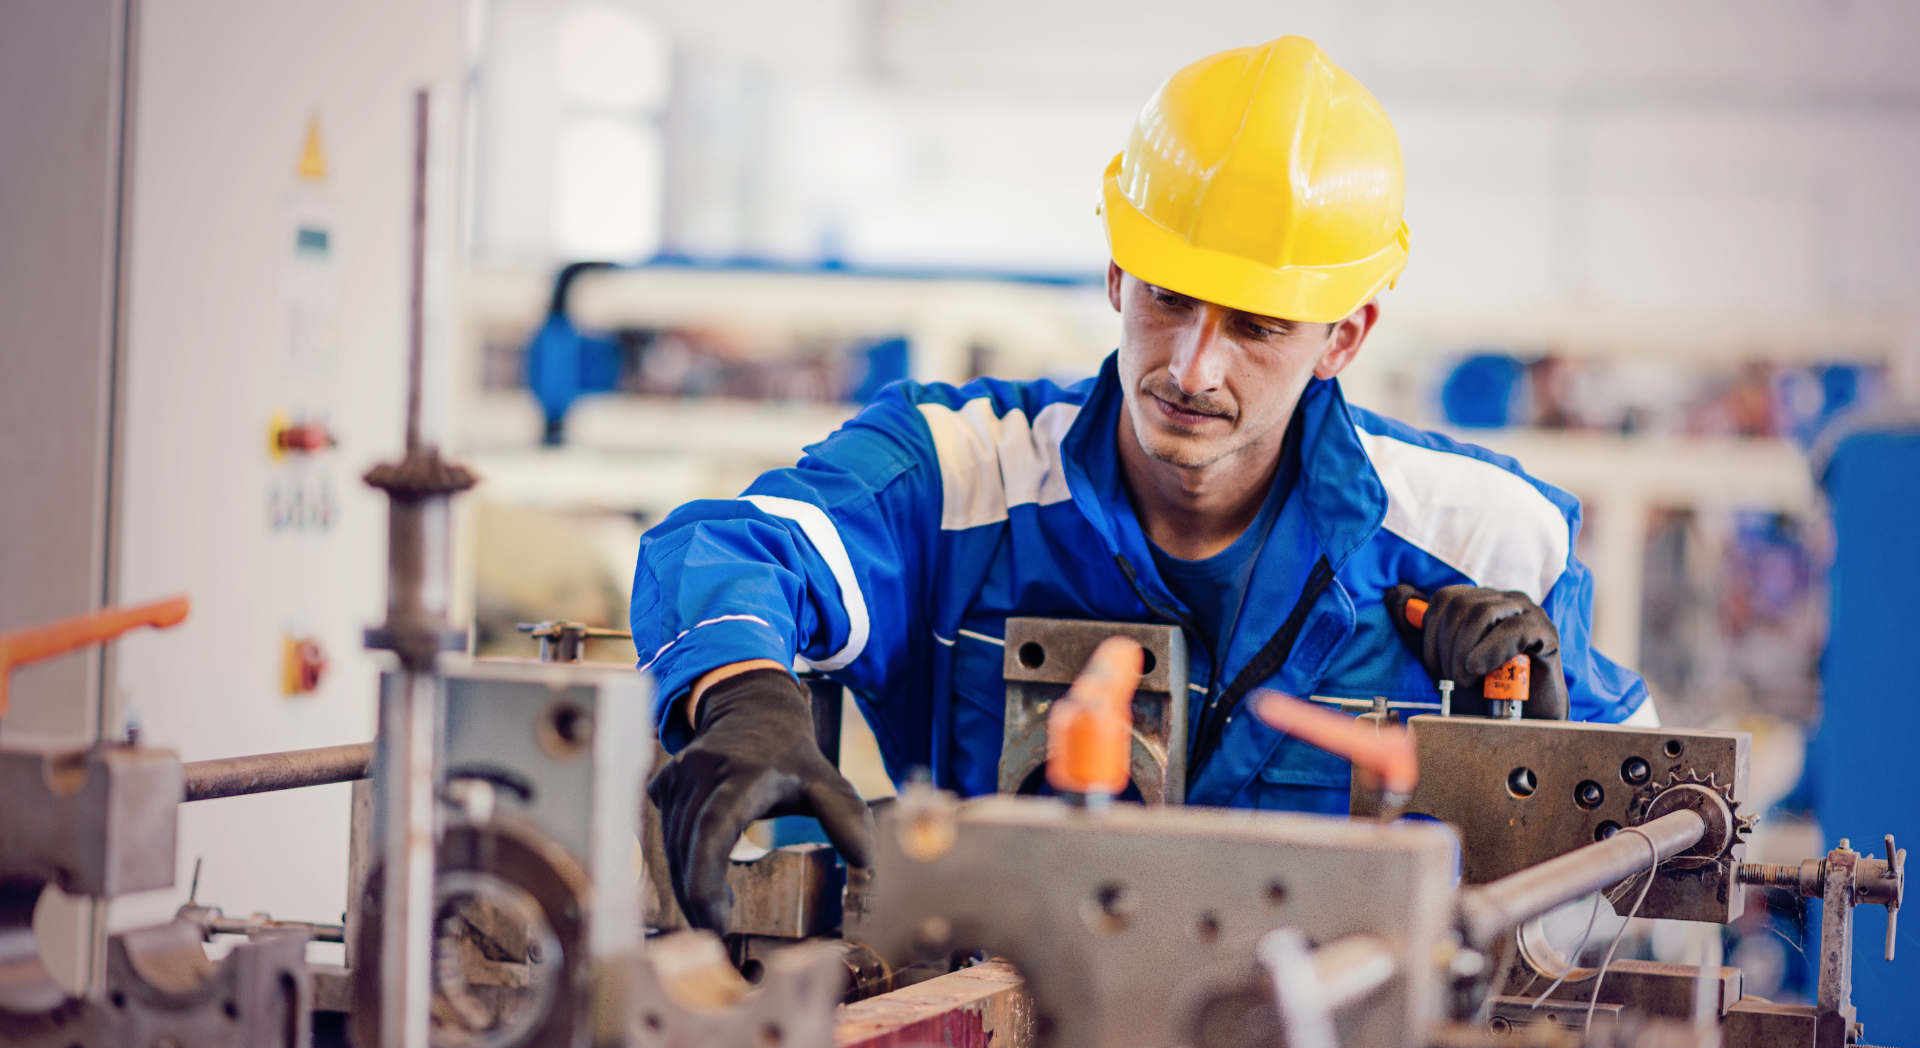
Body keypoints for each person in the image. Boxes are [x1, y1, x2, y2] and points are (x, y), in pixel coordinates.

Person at [631, 35, 1656, 932]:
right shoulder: (961, 479)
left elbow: (1658, 848)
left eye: (1256, 325)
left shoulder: (1480, 541)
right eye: (1169, 297)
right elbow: (732, 546)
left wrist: (1538, 757)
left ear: (1345, 336)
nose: (1191, 368)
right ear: (1119, 271)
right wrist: (742, 696)